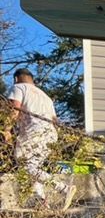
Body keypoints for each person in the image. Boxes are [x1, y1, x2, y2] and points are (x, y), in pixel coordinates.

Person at [6, 68, 72, 207]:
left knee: (26, 165)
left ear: (16, 78)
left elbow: (14, 109)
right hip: (50, 133)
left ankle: (64, 188)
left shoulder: (18, 87)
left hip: (34, 132)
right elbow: (55, 120)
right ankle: (41, 201)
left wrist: (7, 130)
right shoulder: (45, 96)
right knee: (33, 166)